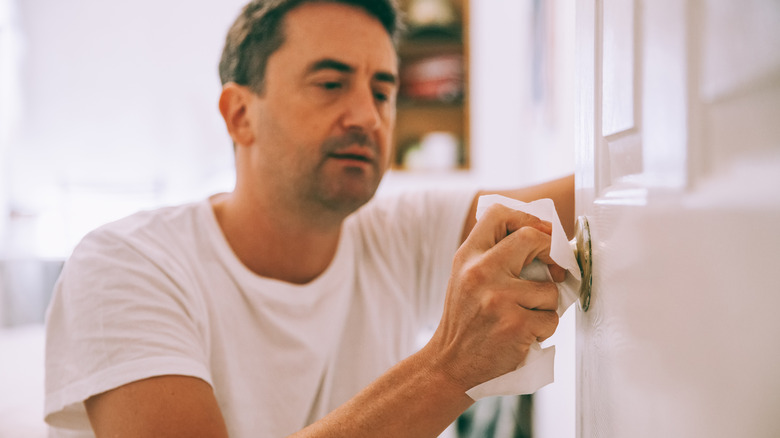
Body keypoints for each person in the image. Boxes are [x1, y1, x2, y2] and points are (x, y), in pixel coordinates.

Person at [43, 0, 575, 436]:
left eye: (383, 91)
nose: (368, 116)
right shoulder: (125, 266)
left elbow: (597, 201)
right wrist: (449, 367)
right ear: (239, 114)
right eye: (330, 84)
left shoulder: (395, 234)